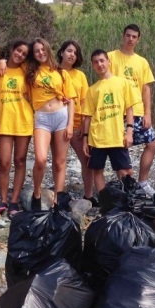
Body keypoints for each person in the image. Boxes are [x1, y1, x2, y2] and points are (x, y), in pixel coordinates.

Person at [26, 38, 76, 209]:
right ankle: (37, 193)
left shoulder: (61, 72)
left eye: (42, 49)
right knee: (41, 159)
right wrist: (2, 61)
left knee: (59, 162)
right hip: (42, 118)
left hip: (61, 116)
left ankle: (57, 199)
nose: (40, 53)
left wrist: (70, 125)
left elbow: (71, 100)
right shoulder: (30, 71)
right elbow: (11, 63)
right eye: (36, 51)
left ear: (48, 49)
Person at [108, 24, 155, 196]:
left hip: (137, 110)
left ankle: (143, 182)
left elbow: (146, 88)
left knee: (152, 143)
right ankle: (125, 185)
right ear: (123, 36)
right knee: (122, 146)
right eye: (128, 35)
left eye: (134, 36)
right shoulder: (111, 57)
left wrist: (148, 113)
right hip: (117, 111)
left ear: (138, 39)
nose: (130, 39)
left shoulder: (141, 61)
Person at [82, 50, 138, 191]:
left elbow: (130, 109)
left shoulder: (122, 83)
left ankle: (126, 200)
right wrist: (85, 139)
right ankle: (104, 203)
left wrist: (130, 131)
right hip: (97, 138)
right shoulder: (92, 89)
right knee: (98, 170)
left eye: (102, 60)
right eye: (96, 62)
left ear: (108, 61)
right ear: (93, 65)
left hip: (117, 136)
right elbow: (87, 117)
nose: (99, 64)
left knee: (126, 171)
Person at [0, 40, 32, 218]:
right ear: (11, 49)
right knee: (4, 162)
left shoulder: (27, 71)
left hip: (23, 121)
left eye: (24, 54)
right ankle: (3, 200)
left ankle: (14, 201)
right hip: (5, 121)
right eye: (18, 51)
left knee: (20, 160)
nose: (20, 55)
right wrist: (1, 60)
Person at [57, 40, 98, 206]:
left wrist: (83, 124)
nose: (72, 55)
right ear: (61, 52)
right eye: (69, 51)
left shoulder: (80, 75)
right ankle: (59, 196)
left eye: (75, 52)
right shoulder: (53, 72)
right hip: (58, 123)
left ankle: (88, 195)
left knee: (87, 160)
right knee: (60, 161)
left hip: (77, 124)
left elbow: (85, 101)